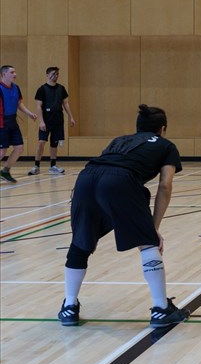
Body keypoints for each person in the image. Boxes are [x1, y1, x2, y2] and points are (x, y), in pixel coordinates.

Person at [57, 104, 190, 328]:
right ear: (162, 129)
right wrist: (153, 228)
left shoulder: (119, 140)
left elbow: (105, 165)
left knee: (81, 242)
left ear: (137, 127)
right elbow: (165, 185)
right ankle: (161, 308)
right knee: (148, 244)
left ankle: (69, 306)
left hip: (86, 178)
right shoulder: (167, 146)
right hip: (120, 180)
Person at [29, 66, 76, 175]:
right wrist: (41, 121)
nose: (55, 76)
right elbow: (38, 106)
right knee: (41, 142)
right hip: (46, 119)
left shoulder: (61, 88)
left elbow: (65, 103)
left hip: (58, 119)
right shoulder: (42, 89)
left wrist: (71, 117)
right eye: (53, 74)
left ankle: (53, 166)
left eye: (57, 74)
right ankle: (36, 166)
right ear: (47, 75)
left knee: (54, 143)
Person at [0, 65, 38, 183]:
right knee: (2, 151)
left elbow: (19, 103)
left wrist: (29, 113)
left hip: (12, 121)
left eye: (15, 72)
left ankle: (5, 171)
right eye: (12, 72)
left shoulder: (16, 87)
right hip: (1, 123)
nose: (15, 74)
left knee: (19, 148)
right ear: (4, 74)